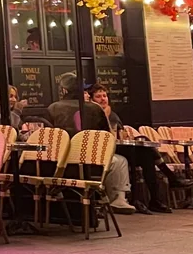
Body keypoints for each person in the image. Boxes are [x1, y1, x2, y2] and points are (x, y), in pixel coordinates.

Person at [89, 83, 181, 213]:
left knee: (147, 156)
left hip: (119, 148)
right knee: (143, 148)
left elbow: (121, 134)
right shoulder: (92, 115)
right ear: (91, 100)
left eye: (105, 96)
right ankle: (169, 178)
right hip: (104, 151)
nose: (103, 99)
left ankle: (154, 200)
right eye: (98, 97)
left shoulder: (113, 115)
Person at [48, 74, 133, 212]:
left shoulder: (53, 108)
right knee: (120, 161)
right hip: (91, 162)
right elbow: (106, 137)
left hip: (60, 163)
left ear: (63, 91)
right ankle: (118, 199)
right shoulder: (94, 108)